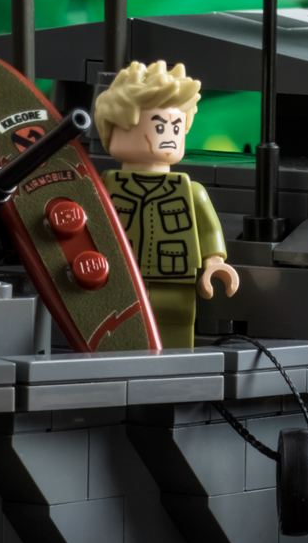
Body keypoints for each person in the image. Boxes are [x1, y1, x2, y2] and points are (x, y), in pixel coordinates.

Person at [94, 60, 239, 348]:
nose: (170, 137)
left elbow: (209, 230)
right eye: (159, 126)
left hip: (174, 276)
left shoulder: (191, 191)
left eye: (176, 127)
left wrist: (214, 263)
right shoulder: (103, 188)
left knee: (175, 327)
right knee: (114, 331)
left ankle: (174, 374)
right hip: (116, 277)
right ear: (117, 128)